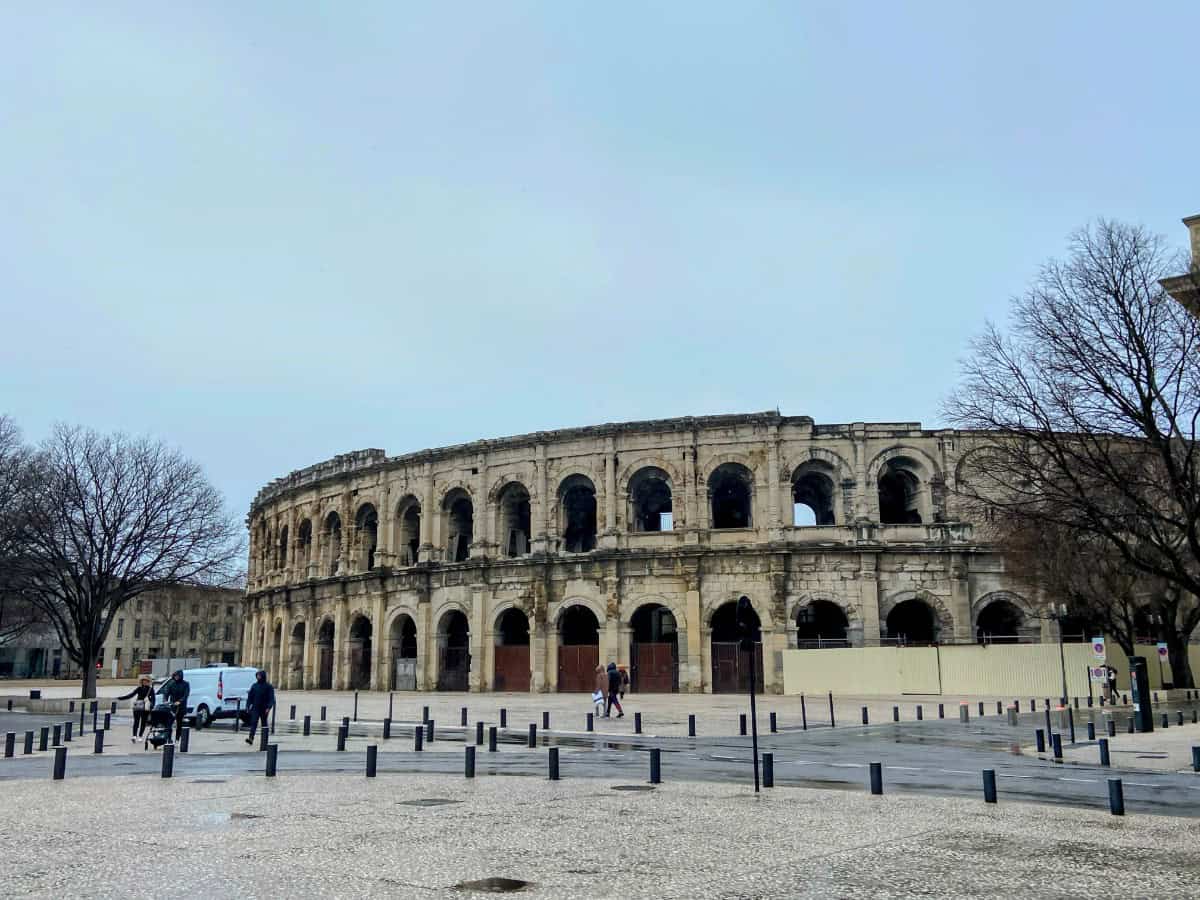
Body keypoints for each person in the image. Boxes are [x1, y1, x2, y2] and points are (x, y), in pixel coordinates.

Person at [117, 675, 156, 743]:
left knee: (143, 722)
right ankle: (134, 736)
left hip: (145, 707)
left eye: (146, 681)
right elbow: (131, 695)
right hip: (138, 706)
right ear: (141, 681)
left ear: (148, 682)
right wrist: (121, 698)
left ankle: (140, 736)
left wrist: (151, 705)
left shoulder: (150, 689)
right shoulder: (139, 688)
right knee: (136, 722)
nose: (144, 682)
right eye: (143, 681)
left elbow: (153, 699)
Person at [245, 670, 276, 745]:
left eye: (259, 675)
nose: (258, 677)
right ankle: (251, 738)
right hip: (255, 708)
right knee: (254, 723)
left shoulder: (268, 686)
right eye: (257, 675)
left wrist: (269, 707)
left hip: (264, 708)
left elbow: (271, 698)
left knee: (264, 724)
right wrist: (248, 706)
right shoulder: (254, 686)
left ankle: (264, 739)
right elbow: (250, 697)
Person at [158, 669, 190, 741]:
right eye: (175, 676)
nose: (176, 677)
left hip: (181, 707)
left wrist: (180, 701)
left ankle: (177, 738)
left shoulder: (186, 684)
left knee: (179, 723)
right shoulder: (171, 684)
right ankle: (169, 738)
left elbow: (186, 695)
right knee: (169, 723)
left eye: (178, 676)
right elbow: (166, 693)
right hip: (172, 706)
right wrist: (165, 700)